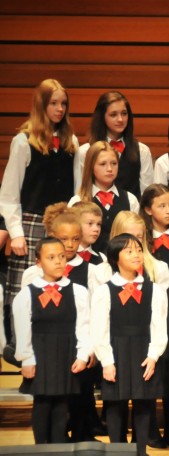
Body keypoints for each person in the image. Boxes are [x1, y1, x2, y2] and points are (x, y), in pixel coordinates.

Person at [92, 233, 169, 456]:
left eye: (138, 249)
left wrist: (154, 355)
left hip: (143, 351)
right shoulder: (105, 291)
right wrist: (106, 360)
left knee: (144, 402)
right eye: (129, 251)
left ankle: (141, 453)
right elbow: (99, 328)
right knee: (115, 403)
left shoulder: (155, 290)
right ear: (116, 258)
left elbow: (159, 325)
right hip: (116, 351)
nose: (136, 255)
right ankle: (117, 454)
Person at [1, 79, 78, 306]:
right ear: (41, 105)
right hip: (31, 224)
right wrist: (16, 233)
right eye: (53, 103)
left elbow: (75, 191)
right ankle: (19, 340)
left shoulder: (70, 142)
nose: (60, 109)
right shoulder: (23, 142)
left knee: (58, 290)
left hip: (61, 226)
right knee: (24, 292)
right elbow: (8, 195)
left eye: (63, 104)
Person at [14, 237, 89, 444]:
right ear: (38, 262)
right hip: (41, 354)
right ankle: (41, 450)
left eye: (61, 257)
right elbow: (22, 328)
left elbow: (83, 326)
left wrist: (83, 354)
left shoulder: (78, 292)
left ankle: (58, 449)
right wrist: (27, 359)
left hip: (66, 353)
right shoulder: (28, 294)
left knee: (62, 404)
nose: (58, 262)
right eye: (51, 257)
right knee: (43, 403)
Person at [74, 91, 153, 199]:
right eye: (113, 115)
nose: (120, 119)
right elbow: (80, 191)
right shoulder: (85, 151)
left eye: (124, 113)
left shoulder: (142, 151)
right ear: (102, 117)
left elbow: (147, 195)